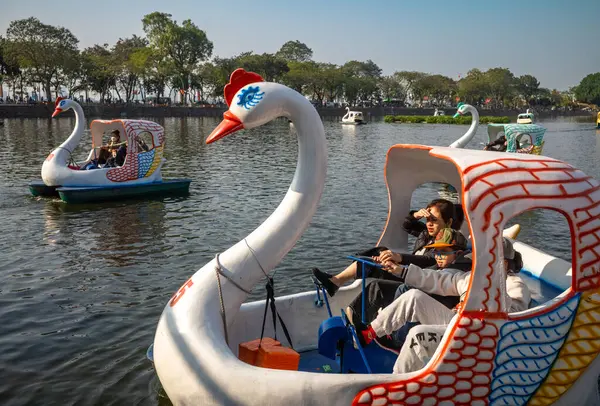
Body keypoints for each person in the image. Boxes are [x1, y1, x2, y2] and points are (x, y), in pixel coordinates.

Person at [357, 235, 529, 374]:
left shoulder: (515, 285)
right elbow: (437, 279)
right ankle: (369, 334)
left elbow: (514, 318)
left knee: (418, 334)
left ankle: (397, 384)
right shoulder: (471, 278)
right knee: (413, 297)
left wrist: (482, 301)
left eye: (485, 258)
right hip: (457, 324)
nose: (477, 262)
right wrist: (400, 270)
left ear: (503, 264)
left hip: (480, 338)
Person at [312, 199, 464, 297]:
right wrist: (416, 215)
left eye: (434, 220)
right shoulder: (427, 233)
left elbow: (428, 259)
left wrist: (399, 257)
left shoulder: (450, 240)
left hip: (418, 276)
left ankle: (335, 282)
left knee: (369, 265)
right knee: (381, 251)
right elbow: (407, 225)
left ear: (449, 222)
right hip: (408, 268)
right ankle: (342, 275)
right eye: (428, 219)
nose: (429, 224)